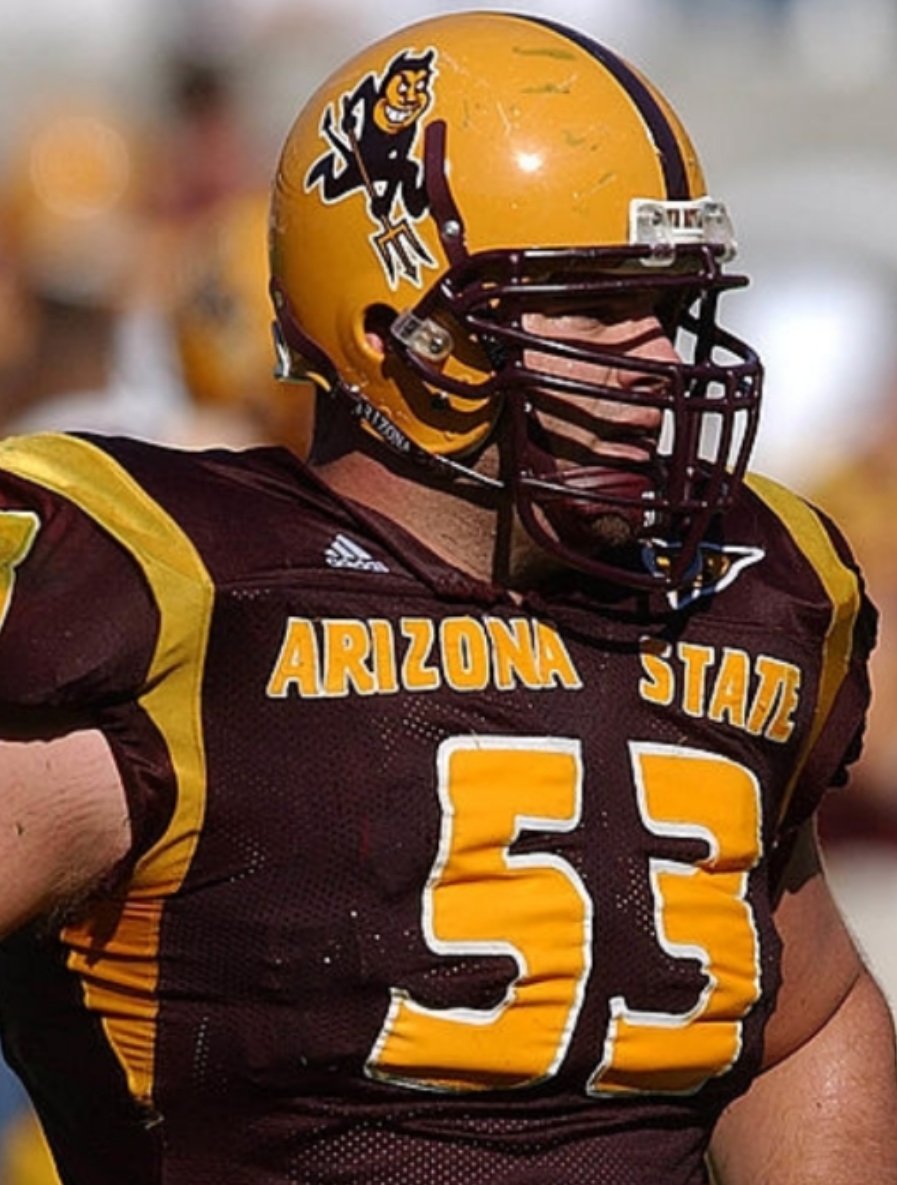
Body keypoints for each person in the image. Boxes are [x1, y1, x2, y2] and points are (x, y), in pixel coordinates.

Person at [0, 11, 894, 1185]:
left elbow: (807, 1014)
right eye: (598, 302)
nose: (667, 357)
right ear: (404, 333)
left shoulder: (735, 593)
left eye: (673, 304)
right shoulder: (185, 596)